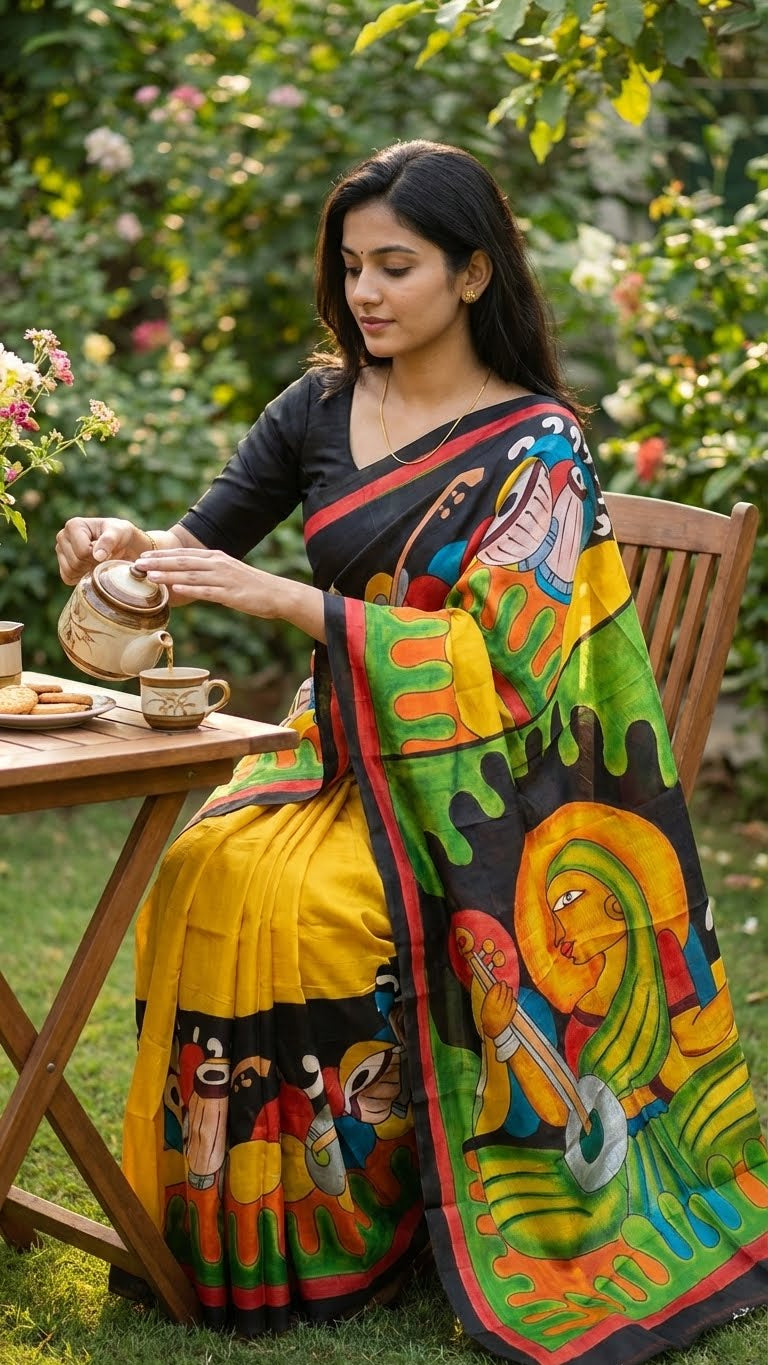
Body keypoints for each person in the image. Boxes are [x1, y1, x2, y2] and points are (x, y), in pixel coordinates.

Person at [55, 140, 768, 1361]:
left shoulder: (537, 446)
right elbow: (195, 546)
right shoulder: (321, 404)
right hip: (333, 755)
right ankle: (241, 1230)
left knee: (321, 915)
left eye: (398, 266)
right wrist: (127, 550)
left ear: (474, 273)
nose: (368, 293)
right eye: (353, 267)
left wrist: (282, 601)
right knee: (208, 872)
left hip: (493, 788)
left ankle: (361, 1238)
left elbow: (509, 671)